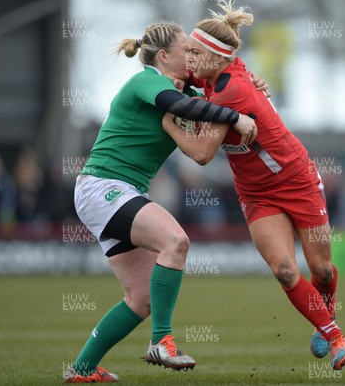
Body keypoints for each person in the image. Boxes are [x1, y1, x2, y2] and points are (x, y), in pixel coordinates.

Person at [64, 20, 262, 383]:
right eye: (186, 49)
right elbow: (185, 108)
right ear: (165, 55)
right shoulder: (148, 80)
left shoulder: (181, 89)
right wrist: (235, 116)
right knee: (176, 241)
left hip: (119, 192)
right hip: (104, 186)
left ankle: (81, 370)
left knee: (141, 299)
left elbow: (216, 101)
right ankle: (161, 342)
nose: (192, 55)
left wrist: (247, 88)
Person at [162, 0, 345, 371]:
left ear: (217, 58)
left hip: (296, 180)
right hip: (256, 193)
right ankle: (335, 336)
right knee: (284, 269)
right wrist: (180, 82)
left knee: (323, 270)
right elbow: (192, 84)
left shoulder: (231, 90)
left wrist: (170, 121)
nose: (189, 60)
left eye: (196, 53)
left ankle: (324, 317)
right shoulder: (214, 74)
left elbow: (203, 154)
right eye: (189, 52)